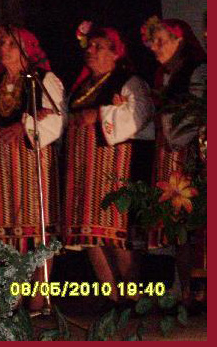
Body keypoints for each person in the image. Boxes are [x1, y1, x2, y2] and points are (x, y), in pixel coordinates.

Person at [63, 23, 153, 305]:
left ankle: (133, 294)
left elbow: (139, 116)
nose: (91, 51)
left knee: (116, 233)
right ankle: (112, 296)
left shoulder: (129, 81)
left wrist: (101, 113)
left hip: (113, 167)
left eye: (99, 46)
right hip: (82, 166)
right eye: (90, 46)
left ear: (115, 53)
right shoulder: (82, 87)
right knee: (90, 233)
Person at [0, 25, 64, 311]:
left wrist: (25, 124)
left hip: (31, 160)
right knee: (8, 232)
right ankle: (13, 292)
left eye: (11, 44)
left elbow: (56, 119)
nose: (4, 49)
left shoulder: (42, 79)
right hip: (0, 163)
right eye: (1, 43)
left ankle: (40, 295)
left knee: (37, 229)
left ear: (27, 49)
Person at [142, 16, 207, 306]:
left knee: (193, 224)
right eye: (152, 42)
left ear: (179, 41)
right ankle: (186, 292)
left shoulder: (197, 70)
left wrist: (174, 134)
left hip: (191, 154)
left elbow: (195, 115)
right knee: (178, 226)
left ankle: (198, 290)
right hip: (170, 155)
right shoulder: (163, 76)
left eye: (161, 41)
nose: (155, 47)